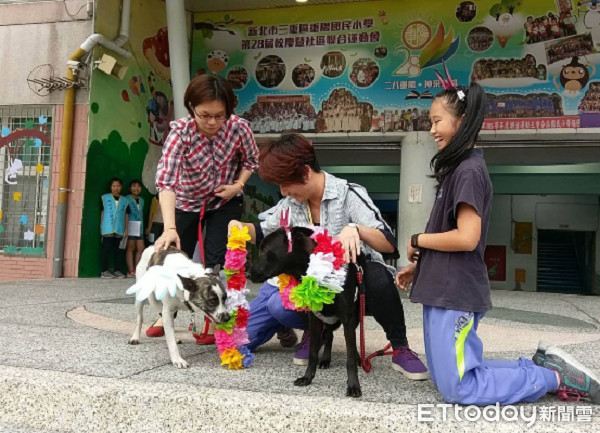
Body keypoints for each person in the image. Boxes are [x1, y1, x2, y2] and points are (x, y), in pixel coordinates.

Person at [395, 80, 600, 404]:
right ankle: (541, 367)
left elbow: (467, 237)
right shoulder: (456, 170)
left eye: (437, 121)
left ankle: (553, 377)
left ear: (461, 122)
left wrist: (418, 238)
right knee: (448, 378)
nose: (432, 129)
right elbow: (450, 236)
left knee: (460, 387)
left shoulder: (469, 170)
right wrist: (417, 267)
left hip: (455, 293)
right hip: (440, 289)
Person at [228, 133, 429, 380]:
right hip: (313, 287)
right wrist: (239, 227)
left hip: (352, 284)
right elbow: (262, 231)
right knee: (275, 304)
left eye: (285, 183)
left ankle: (400, 347)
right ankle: (316, 332)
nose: (283, 191)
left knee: (379, 277)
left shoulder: (348, 194)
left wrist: (357, 229)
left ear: (305, 171)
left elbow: (387, 244)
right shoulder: (291, 203)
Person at [149, 74, 259, 343]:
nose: (212, 123)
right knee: (175, 257)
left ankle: (213, 316)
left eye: (219, 116)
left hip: (224, 201)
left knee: (214, 260)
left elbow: (252, 160)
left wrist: (238, 185)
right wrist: (170, 228)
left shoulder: (239, 128)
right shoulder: (180, 133)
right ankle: (167, 313)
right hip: (185, 203)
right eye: (204, 115)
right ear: (191, 108)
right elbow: (166, 182)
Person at [100, 177, 128, 279]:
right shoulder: (105, 198)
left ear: (121, 187)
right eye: (114, 186)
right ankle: (104, 271)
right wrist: (101, 227)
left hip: (120, 229)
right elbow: (102, 212)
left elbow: (126, 215)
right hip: (107, 228)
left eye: (118, 186)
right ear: (111, 187)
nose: (116, 188)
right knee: (106, 249)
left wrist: (126, 229)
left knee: (118, 251)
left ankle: (117, 270)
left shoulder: (125, 200)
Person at [125, 179, 145, 277]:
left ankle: (137, 269)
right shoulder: (126, 199)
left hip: (140, 226)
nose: (136, 188)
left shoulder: (142, 200)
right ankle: (131, 270)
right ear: (130, 188)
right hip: (131, 225)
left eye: (138, 186)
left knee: (141, 248)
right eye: (133, 186)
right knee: (131, 247)